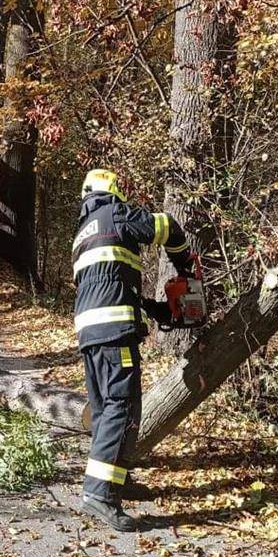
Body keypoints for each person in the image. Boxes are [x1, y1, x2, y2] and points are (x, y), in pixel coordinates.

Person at [72, 168, 193, 532]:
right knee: (120, 406)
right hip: (112, 332)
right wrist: (186, 264)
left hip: (91, 332)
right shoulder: (115, 213)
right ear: (112, 191)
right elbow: (167, 225)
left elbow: (113, 286)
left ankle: (113, 481)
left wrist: (157, 311)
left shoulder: (83, 234)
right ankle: (98, 494)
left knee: (112, 407)